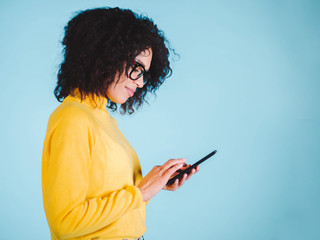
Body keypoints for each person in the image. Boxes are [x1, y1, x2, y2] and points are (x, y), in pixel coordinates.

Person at [42, 7, 199, 240]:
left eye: (145, 73)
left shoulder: (103, 120)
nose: (142, 82)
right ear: (107, 54)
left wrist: (154, 185)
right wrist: (141, 193)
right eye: (137, 67)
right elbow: (65, 222)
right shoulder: (73, 118)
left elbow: (113, 215)